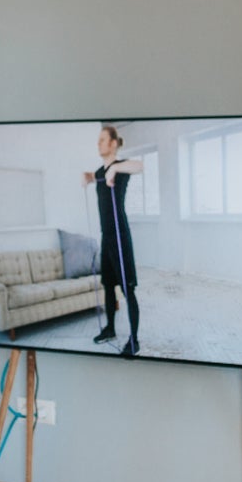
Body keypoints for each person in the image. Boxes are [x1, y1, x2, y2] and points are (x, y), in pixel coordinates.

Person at [81, 125, 143, 357]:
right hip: (106, 237)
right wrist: (88, 177)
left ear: (113, 144)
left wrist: (115, 168)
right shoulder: (101, 171)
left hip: (120, 237)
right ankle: (110, 329)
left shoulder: (121, 167)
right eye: (98, 140)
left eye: (102, 140)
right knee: (108, 286)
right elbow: (95, 176)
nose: (98, 143)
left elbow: (140, 166)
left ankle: (134, 340)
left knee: (128, 289)